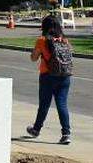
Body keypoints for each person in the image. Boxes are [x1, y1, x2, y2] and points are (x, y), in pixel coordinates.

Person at [25, 14, 73, 144]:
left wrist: (38, 52)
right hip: (65, 76)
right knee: (62, 104)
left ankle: (36, 129)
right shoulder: (64, 40)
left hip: (47, 76)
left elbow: (33, 58)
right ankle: (66, 134)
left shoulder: (42, 40)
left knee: (44, 105)